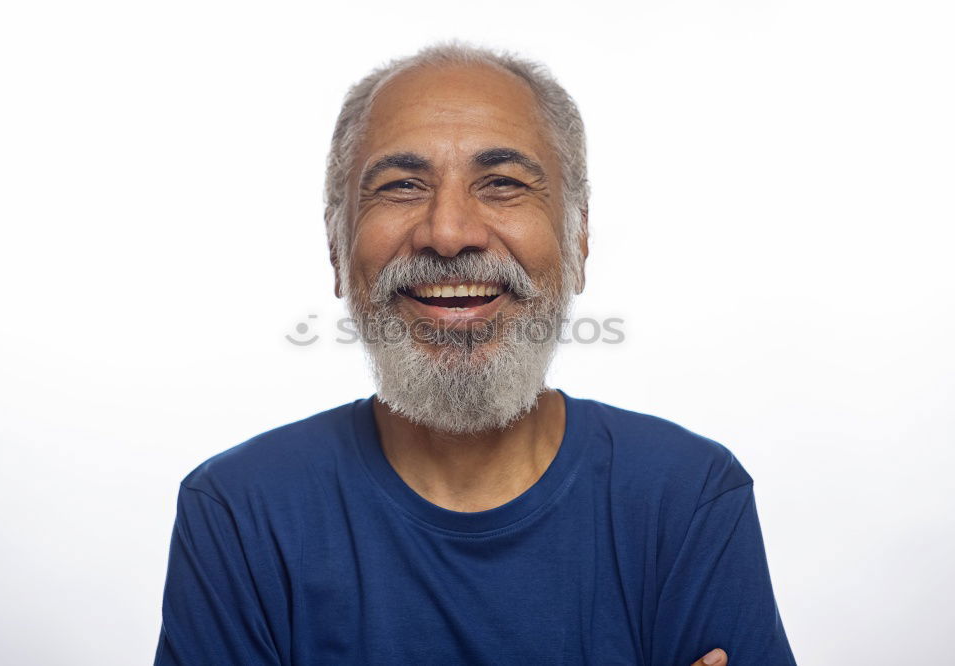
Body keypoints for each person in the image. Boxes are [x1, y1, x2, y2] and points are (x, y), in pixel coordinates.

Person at [154, 42, 796, 666]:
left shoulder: (687, 496)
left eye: (503, 184)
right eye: (402, 185)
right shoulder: (240, 510)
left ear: (579, 241)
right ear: (335, 248)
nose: (449, 233)